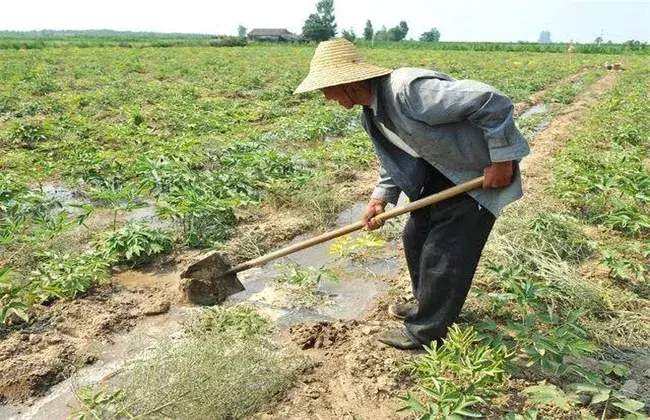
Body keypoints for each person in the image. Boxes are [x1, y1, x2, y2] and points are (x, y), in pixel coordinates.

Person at [294, 39, 530, 350]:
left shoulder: (408, 90)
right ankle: (429, 306)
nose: (325, 96)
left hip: (475, 175)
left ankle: (425, 332)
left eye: (326, 87)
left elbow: (492, 102)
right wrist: (379, 199)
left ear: (348, 82)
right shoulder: (372, 112)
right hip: (441, 172)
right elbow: (396, 158)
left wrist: (501, 161)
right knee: (415, 237)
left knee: (444, 252)